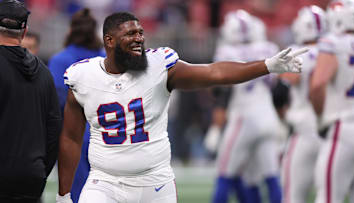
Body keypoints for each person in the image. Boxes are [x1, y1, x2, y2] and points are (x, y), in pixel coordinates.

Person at [56, 11, 307, 203]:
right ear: (109, 40)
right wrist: (64, 194)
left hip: (154, 181)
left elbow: (215, 72)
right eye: (130, 35)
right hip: (105, 182)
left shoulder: (159, 67)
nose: (139, 39)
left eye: (140, 33)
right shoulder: (83, 76)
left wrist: (266, 65)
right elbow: (70, 138)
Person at [207, 10, 282, 203]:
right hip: (268, 116)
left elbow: (222, 91)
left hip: (244, 118)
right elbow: (276, 87)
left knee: (224, 173)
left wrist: (216, 127)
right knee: (269, 176)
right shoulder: (268, 47)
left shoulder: (226, 51)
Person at [0, 0, 62, 203]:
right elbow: (54, 128)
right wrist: (41, 171)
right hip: (31, 177)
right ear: (24, 31)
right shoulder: (44, 72)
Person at [48, 8, 105, 203]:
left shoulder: (59, 60)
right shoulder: (106, 58)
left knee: (78, 194)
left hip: (74, 138)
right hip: (109, 134)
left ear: (70, 31)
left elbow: (57, 104)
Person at [309, 0, 354, 203]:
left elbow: (317, 84)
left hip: (343, 127)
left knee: (329, 198)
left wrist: (320, 116)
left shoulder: (333, 43)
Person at [279, 5, 327, 203]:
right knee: (329, 193)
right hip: (331, 130)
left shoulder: (300, 53)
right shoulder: (333, 51)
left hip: (304, 129)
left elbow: (283, 88)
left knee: (293, 195)